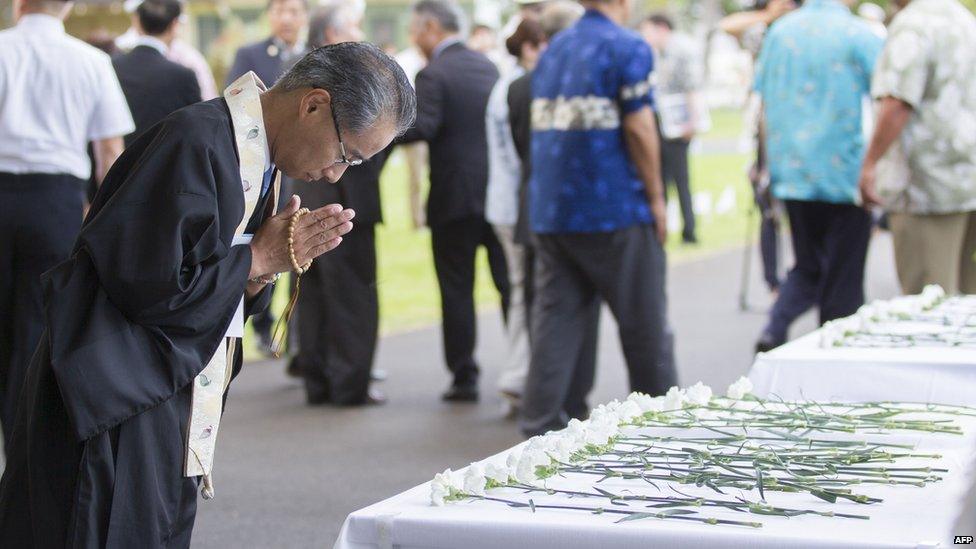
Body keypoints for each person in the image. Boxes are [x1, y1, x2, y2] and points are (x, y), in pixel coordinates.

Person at [0, 43, 415, 546]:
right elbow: (144, 287)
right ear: (313, 104)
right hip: (112, 403)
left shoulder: (259, 154)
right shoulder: (194, 142)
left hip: (168, 399)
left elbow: (216, 283)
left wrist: (264, 269)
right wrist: (257, 259)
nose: (336, 174)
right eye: (347, 155)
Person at [519, 0, 676, 437]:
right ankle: (660, 424)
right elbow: (640, 127)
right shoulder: (628, 47)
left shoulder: (554, 50)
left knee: (556, 323)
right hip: (614, 208)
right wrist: (658, 199)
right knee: (644, 321)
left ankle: (541, 427)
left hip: (554, 210)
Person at [0, 0, 134, 451]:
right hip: (55, 201)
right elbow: (110, 152)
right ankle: (23, 450)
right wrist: (100, 216)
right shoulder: (92, 61)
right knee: (38, 325)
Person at [752, 0, 883, 352]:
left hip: (793, 169)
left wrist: (764, 163)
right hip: (844, 172)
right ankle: (834, 352)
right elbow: (887, 96)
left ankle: (775, 327)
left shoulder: (780, 31)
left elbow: (762, 99)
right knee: (844, 276)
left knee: (808, 263)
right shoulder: (858, 33)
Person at [399, 0, 510, 403]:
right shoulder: (488, 67)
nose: (414, 39)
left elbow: (424, 125)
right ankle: (522, 367)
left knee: (456, 288)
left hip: (452, 199)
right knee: (507, 285)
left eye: (414, 30)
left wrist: (384, 130)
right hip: (494, 195)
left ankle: (464, 376)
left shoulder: (433, 74)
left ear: (431, 27)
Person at [293, 1, 388, 407]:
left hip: (304, 192)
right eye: (354, 26)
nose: (360, 32)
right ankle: (350, 385)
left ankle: (317, 379)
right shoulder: (354, 76)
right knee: (351, 294)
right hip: (344, 197)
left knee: (312, 289)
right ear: (332, 34)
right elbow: (373, 138)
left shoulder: (300, 73)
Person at [859, 0, 976, 295]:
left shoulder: (914, 25)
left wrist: (870, 163)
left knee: (927, 304)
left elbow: (898, 102)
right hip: (966, 178)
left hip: (924, 186)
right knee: (965, 304)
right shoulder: (962, 18)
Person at [227, 0, 310, 354]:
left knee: (300, 244)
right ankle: (260, 323)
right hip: (261, 168)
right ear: (270, 16)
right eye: (280, 10)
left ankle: (293, 330)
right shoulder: (250, 54)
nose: (287, 18)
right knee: (262, 239)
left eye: (294, 11)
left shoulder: (314, 57)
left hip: (304, 168)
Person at [485, 19, 546, 412]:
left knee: (523, 291)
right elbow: (518, 156)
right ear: (529, 48)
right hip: (516, 206)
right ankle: (520, 376)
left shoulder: (504, 85)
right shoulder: (517, 89)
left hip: (504, 204)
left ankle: (522, 375)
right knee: (528, 292)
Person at [640, 13, 703, 244]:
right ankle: (662, 227)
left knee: (681, 179)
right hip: (662, 123)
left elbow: (691, 88)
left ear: (661, 28)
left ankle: (689, 231)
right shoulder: (656, 53)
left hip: (678, 126)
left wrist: (691, 123)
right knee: (661, 178)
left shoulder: (682, 50)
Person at [113, 0, 202, 147]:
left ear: (137, 22)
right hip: (167, 166)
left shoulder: (111, 66)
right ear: (174, 24)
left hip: (120, 164)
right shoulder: (184, 76)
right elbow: (198, 129)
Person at [116, 0, 219, 100]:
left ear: (137, 21)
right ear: (175, 24)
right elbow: (206, 104)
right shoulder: (190, 62)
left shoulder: (116, 57)